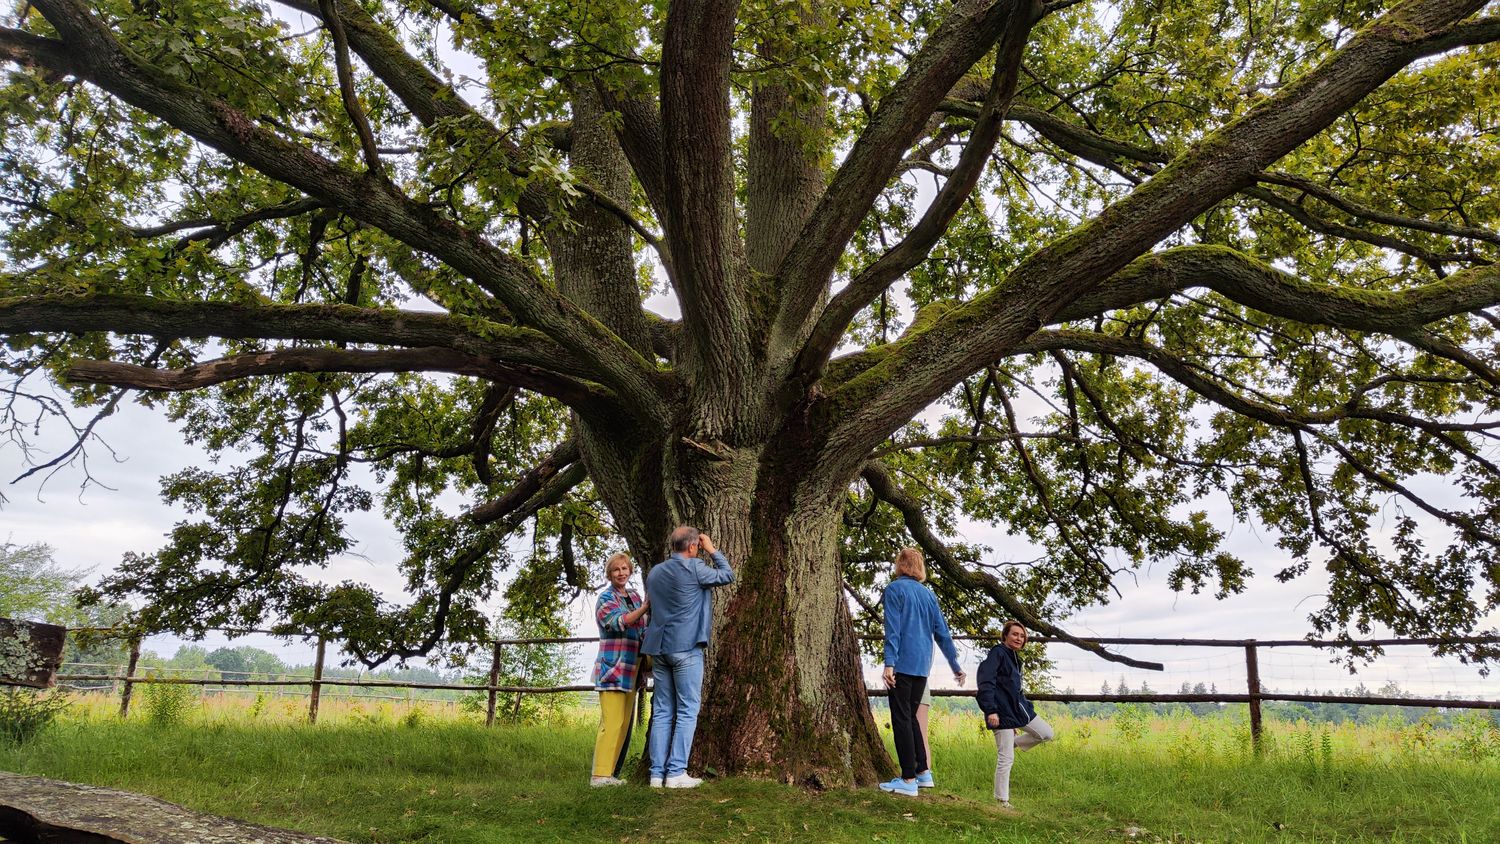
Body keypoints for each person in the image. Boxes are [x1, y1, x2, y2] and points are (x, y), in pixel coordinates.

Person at [641, 526, 735, 788]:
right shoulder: (695, 568)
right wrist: (712, 549)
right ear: (693, 546)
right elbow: (727, 575)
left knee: (662, 711)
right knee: (687, 709)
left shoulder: (655, 572)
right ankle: (675, 773)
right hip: (686, 647)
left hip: (659, 648)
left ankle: (656, 775)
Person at [879, 547, 964, 797]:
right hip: (922, 666)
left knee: (901, 719)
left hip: (902, 664)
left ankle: (907, 779)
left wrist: (889, 663)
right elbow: (943, 633)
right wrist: (955, 665)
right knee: (912, 718)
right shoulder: (928, 595)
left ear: (899, 565)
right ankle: (923, 772)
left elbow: (893, 630)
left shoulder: (894, 590)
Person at [976, 619, 1054, 809]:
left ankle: (1011, 743)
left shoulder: (1015, 658)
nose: (1019, 638)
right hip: (1000, 713)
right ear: (1005, 635)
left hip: (1019, 710)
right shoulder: (997, 653)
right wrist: (991, 710)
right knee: (1006, 758)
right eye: (1014, 634)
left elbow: (1014, 690)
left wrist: (1025, 706)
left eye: (1022, 636)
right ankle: (1002, 801)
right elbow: (986, 682)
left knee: (1046, 733)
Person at [589, 552, 649, 786]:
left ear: (630, 571)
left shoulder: (634, 596)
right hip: (613, 668)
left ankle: (611, 774)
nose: (621, 573)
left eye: (624, 569)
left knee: (624, 724)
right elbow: (618, 622)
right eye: (616, 570)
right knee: (612, 723)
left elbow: (642, 629)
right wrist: (645, 608)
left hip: (632, 669)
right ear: (610, 574)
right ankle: (599, 775)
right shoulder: (606, 598)